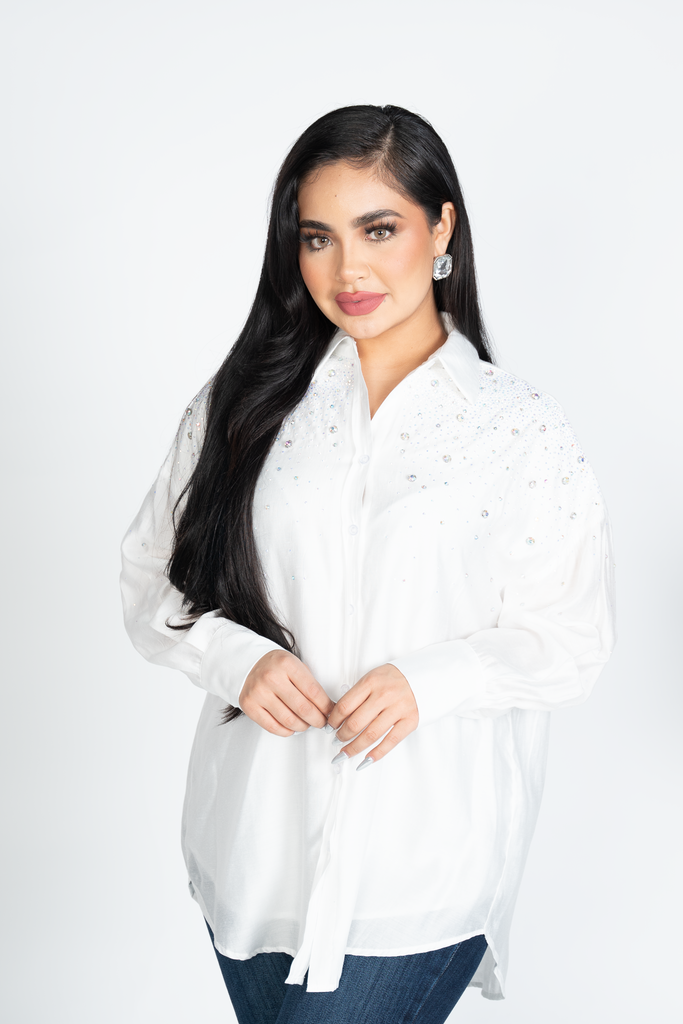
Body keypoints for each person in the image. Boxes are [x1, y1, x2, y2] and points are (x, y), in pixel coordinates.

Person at [120, 104, 616, 1024]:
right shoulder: (240, 406)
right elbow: (153, 577)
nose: (346, 269)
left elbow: (571, 638)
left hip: (419, 871)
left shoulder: (518, 427)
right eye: (318, 237)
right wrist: (237, 659)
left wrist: (432, 679)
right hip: (253, 860)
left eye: (377, 229)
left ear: (442, 227)